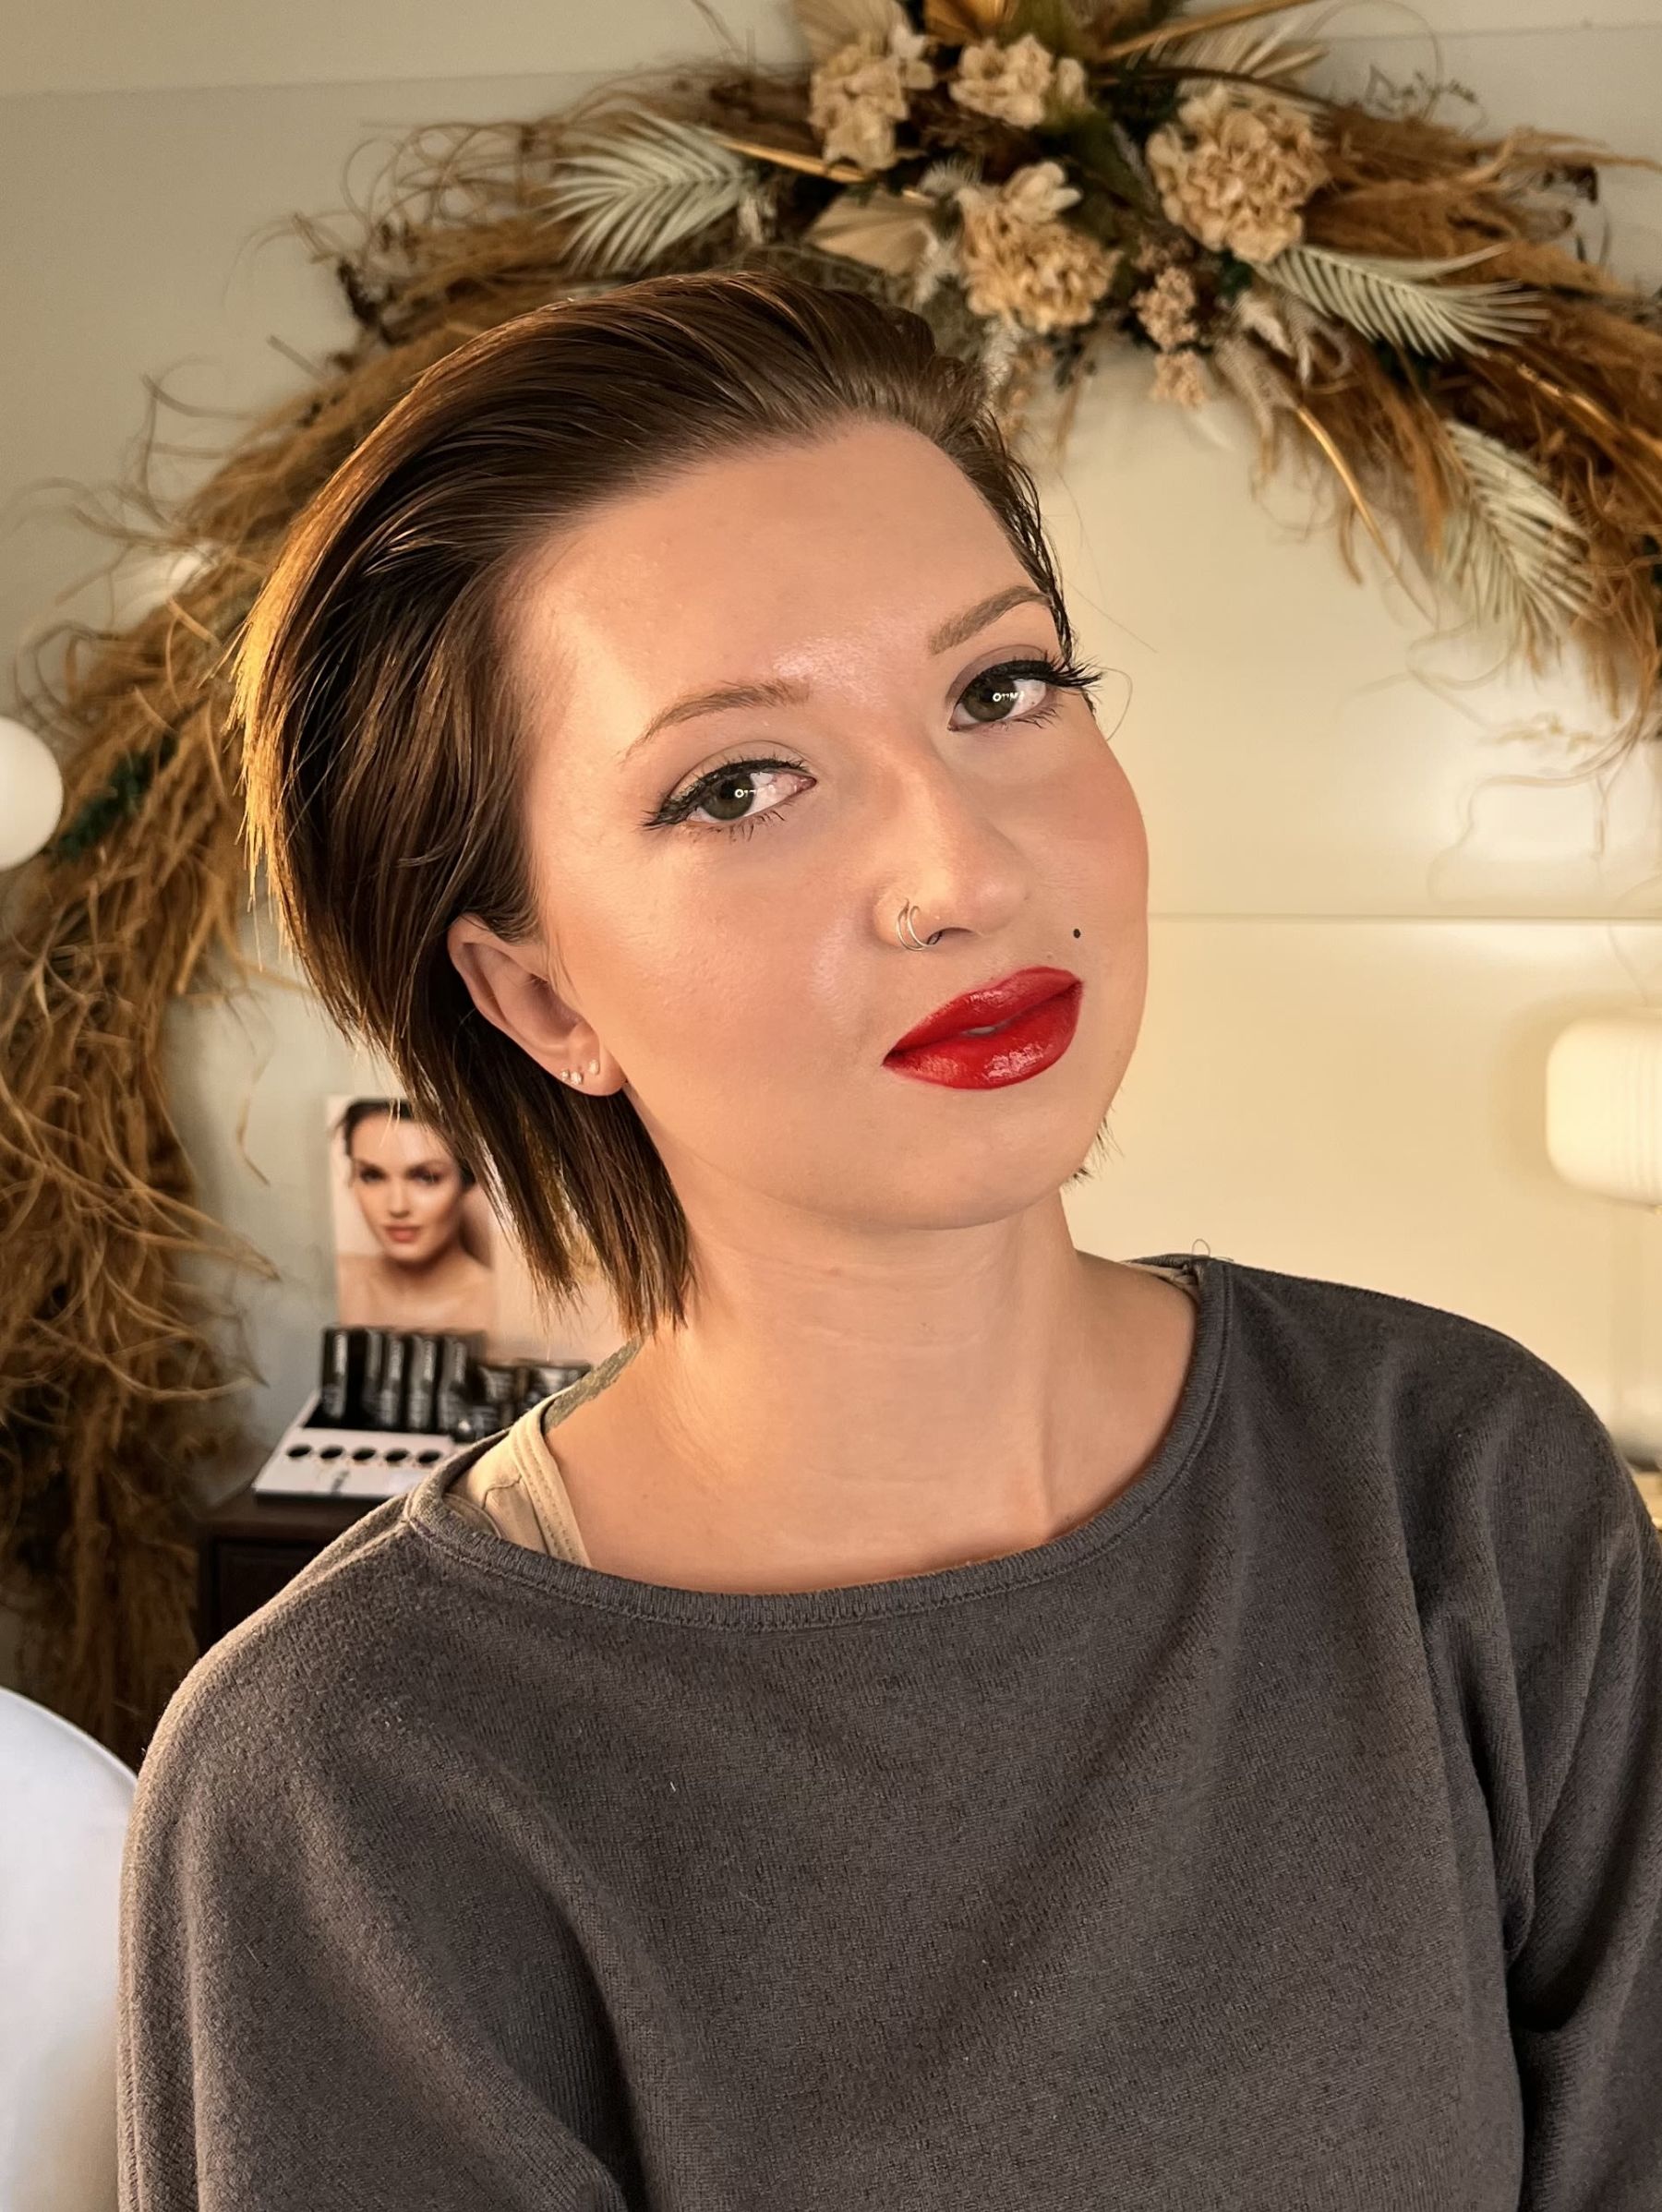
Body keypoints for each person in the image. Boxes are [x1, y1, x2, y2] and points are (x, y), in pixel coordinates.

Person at [116, 270, 1662, 2209]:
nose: (962, 867)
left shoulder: (1463, 1493)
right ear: (537, 996)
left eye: (1001, 690)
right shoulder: (351, 1783)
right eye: (738, 784)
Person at [333, 1095, 496, 1332]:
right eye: (372, 1176)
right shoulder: (331, 1283)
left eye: (426, 1177)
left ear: (466, 1181)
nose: (397, 1207)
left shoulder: (504, 1306)